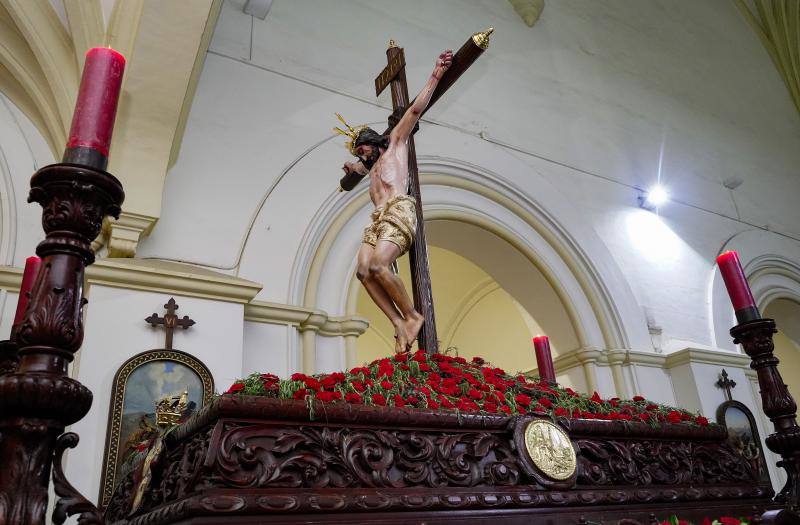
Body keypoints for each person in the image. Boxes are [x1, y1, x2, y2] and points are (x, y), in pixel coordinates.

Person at [334, 49, 453, 353]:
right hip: (378, 219)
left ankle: (412, 316)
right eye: (358, 154)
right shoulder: (369, 167)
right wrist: (353, 170)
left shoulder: (394, 147)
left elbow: (413, 112)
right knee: (363, 271)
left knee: (378, 264)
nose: (362, 156)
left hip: (398, 210)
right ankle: (398, 321)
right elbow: (355, 173)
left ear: (375, 143)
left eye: (363, 150)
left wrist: (436, 74)